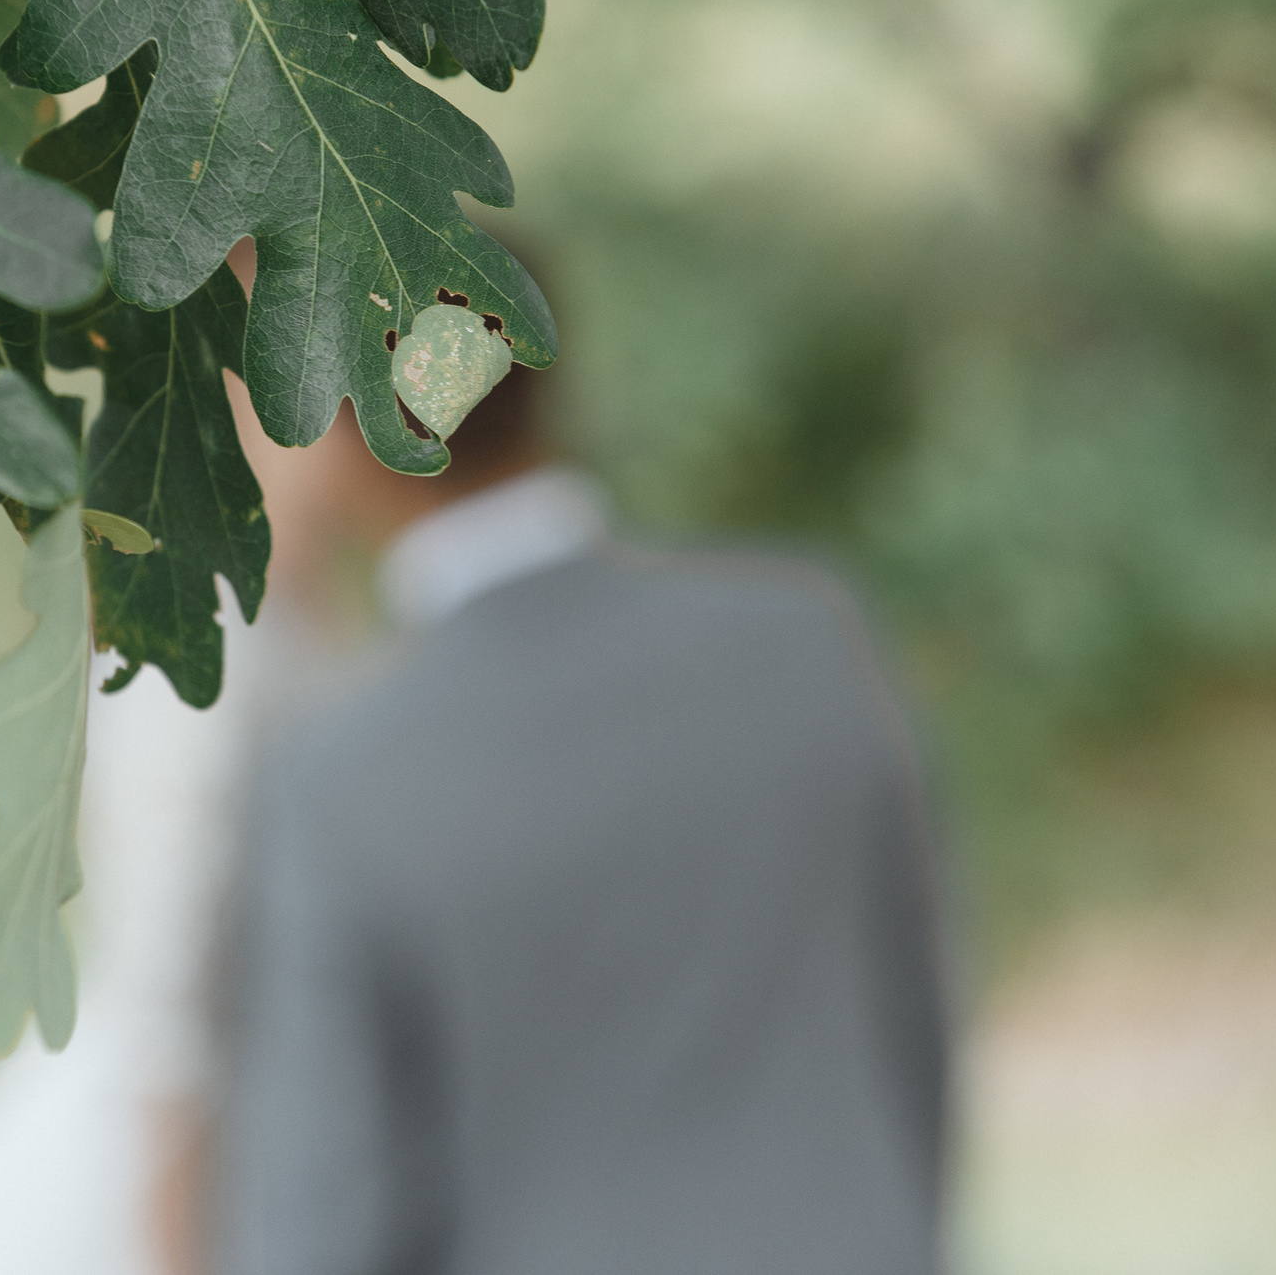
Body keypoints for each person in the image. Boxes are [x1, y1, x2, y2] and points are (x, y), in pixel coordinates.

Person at [214, 338, 956, 1275]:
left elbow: (328, 1214)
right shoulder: (807, 639)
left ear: (343, 438)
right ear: (542, 367)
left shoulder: (340, 785)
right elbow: (914, 1020)